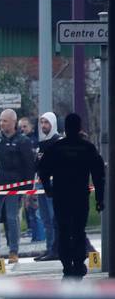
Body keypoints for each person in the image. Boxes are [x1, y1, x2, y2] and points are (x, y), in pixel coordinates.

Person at [38, 113, 105, 280]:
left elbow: (43, 170)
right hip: (80, 195)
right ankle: (78, 262)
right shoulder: (87, 147)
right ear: (79, 127)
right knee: (78, 230)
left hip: (61, 195)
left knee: (63, 230)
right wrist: (99, 198)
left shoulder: (56, 148)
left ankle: (67, 265)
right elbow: (98, 174)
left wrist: (48, 189)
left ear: (65, 128)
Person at [0, 109, 35, 264]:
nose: (2, 123)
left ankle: (13, 251)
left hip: (14, 186)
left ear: (13, 122)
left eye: (5, 121)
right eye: (1, 120)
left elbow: (29, 166)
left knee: (11, 218)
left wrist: (28, 188)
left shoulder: (23, 141)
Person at [34, 112, 61, 261]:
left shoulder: (58, 142)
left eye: (46, 123)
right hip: (40, 185)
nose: (43, 125)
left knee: (53, 218)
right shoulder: (42, 144)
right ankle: (49, 248)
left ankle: (56, 249)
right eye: (42, 122)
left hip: (53, 185)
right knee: (45, 219)